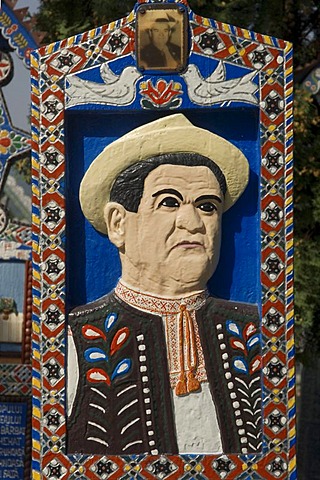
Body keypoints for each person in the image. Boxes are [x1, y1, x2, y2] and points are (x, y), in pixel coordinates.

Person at [67, 114, 261, 456]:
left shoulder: (255, 334)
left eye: (207, 206)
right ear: (118, 224)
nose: (192, 222)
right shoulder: (77, 340)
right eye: (169, 202)